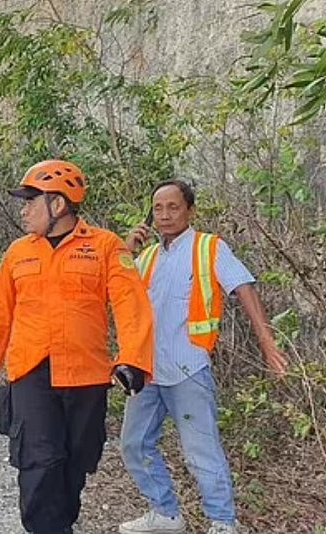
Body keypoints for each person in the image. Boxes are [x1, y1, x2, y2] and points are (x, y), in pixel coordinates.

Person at [0, 159, 154, 534]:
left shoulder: (105, 247)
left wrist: (133, 360)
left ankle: (60, 525)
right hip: (31, 371)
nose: (24, 209)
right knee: (39, 462)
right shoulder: (19, 252)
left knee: (74, 462)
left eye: (31, 201)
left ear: (59, 204)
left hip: (85, 373)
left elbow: (131, 305)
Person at [117, 180, 289, 534]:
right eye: (158, 208)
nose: (164, 215)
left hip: (188, 368)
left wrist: (267, 342)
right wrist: (124, 253)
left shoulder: (208, 247)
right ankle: (165, 513)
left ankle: (223, 522)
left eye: (173, 207)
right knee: (133, 444)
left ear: (190, 211)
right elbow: (117, 296)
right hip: (147, 371)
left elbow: (243, 287)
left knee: (201, 452)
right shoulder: (146, 257)